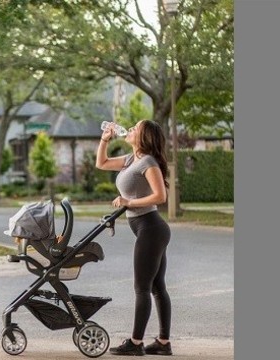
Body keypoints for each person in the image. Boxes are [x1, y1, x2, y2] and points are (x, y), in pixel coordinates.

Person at [97, 120, 173, 356]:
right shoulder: (132, 160)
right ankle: (163, 343)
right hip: (147, 228)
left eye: (135, 128)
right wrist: (105, 140)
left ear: (144, 137)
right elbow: (102, 163)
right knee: (157, 287)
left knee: (142, 287)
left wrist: (129, 202)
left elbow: (161, 196)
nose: (129, 130)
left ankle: (136, 343)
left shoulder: (148, 162)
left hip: (151, 228)